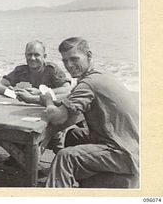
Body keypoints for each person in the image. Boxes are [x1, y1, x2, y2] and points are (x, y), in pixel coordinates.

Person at [40, 37, 139, 188]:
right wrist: (37, 98)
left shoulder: (88, 84)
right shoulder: (98, 75)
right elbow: (71, 98)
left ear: (89, 55)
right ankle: (77, 184)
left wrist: (47, 101)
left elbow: (57, 118)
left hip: (124, 152)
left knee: (65, 157)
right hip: (130, 140)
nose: (69, 65)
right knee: (74, 135)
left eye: (74, 59)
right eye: (65, 61)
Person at [0, 40, 71, 104]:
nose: (32, 58)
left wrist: (40, 92)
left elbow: (67, 89)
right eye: (29, 55)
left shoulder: (52, 69)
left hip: (50, 105)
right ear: (25, 55)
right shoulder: (21, 70)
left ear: (44, 57)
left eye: (36, 55)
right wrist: (12, 93)